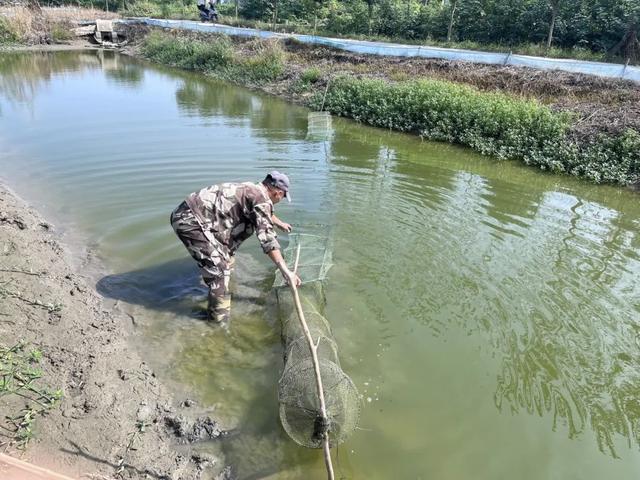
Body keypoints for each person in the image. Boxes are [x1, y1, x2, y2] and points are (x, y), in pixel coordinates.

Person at [170, 171, 301, 324]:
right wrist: (286, 272)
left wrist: (279, 223)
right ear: (278, 193)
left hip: (194, 216)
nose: (281, 200)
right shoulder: (261, 199)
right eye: (283, 197)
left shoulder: (254, 189)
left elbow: (264, 213)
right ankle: (218, 324)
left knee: (227, 258)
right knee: (220, 271)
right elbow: (268, 240)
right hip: (189, 221)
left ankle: (220, 290)